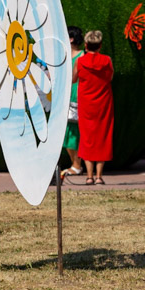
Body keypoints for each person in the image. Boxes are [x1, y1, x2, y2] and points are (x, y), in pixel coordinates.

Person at [75, 30, 114, 185]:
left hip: (86, 104)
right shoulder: (107, 60)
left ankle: (89, 176)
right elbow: (110, 78)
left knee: (87, 138)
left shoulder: (80, 61)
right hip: (104, 103)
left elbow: (73, 79)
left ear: (85, 45)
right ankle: (99, 176)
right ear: (100, 46)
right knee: (103, 137)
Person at [60, 26, 86, 179]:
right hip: (65, 97)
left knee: (74, 132)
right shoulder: (64, 56)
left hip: (77, 97)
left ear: (70, 39)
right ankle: (75, 163)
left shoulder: (82, 56)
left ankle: (77, 165)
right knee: (67, 132)